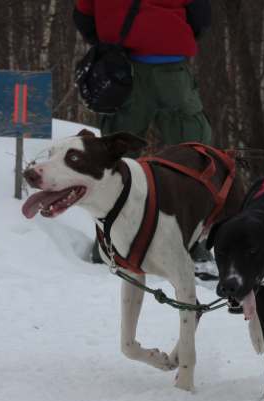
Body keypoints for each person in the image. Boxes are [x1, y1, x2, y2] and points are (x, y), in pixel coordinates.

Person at [74, 0, 215, 264]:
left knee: (113, 158)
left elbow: (83, 17)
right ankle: (194, 243)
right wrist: (170, 38)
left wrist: (111, 42)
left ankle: (107, 245)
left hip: (123, 73)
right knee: (194, 155)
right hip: (172, 70)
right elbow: (201, 18)